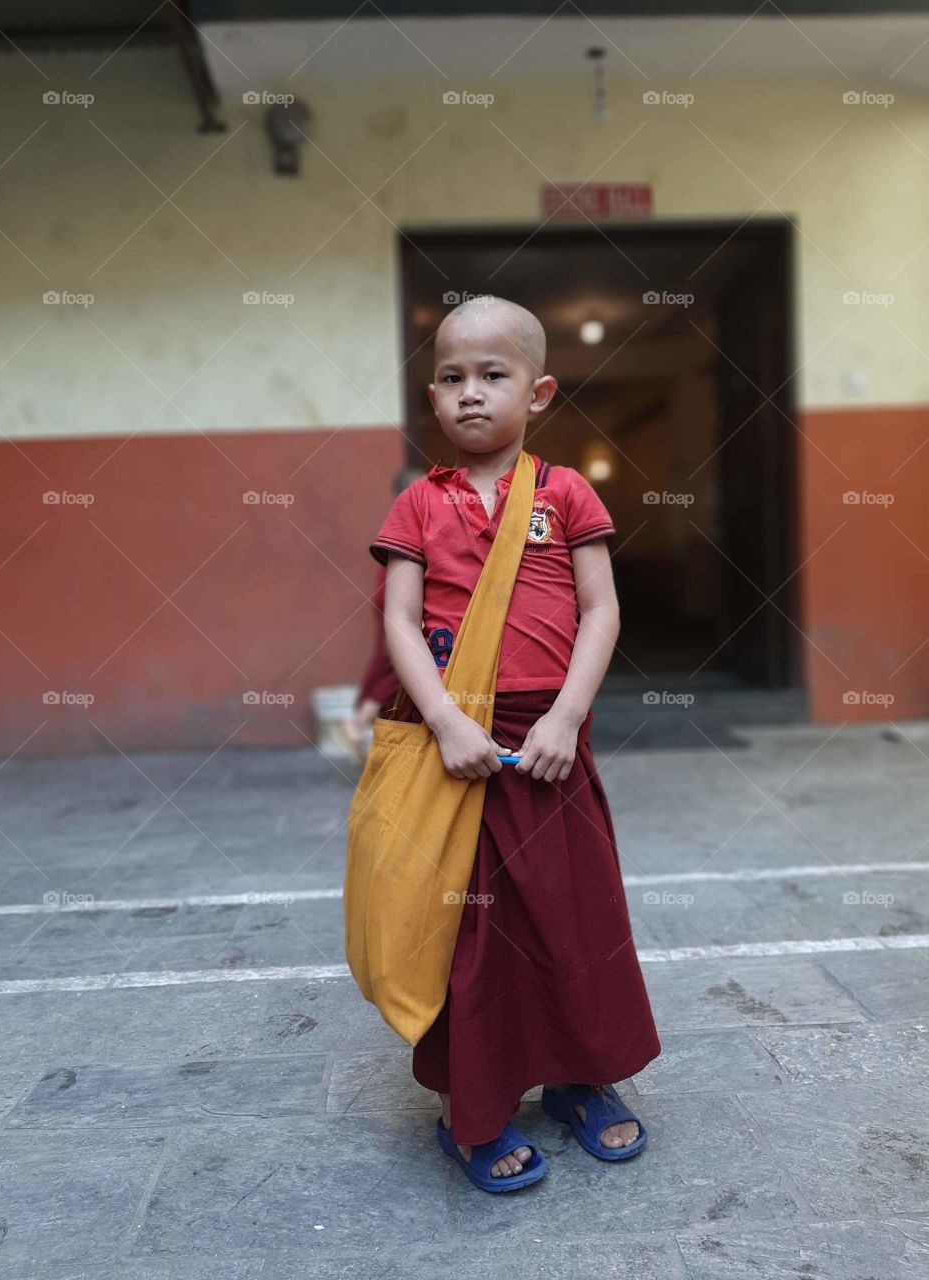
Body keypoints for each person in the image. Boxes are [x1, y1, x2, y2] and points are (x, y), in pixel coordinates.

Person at [368, 295, 661, 1192]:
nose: (470, 395)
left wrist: (568, 717)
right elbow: (401, 620)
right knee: (471, 938)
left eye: (492, 376)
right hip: (457, 752)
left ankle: (581, 1080)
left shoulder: (565, 493)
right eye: (452, 378)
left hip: (550, 750)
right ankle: (475, 1109)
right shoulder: (420, 504)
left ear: (537, 393)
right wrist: (450, 724)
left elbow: (602, 609)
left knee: (575, 920)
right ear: (433, 395)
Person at [343, 466, 425, 761]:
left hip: (396, 589)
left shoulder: (418, 517)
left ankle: (362, 726)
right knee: (394, 661)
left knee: (389, 659)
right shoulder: (408, 518)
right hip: (396, 588)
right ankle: (359, 724)